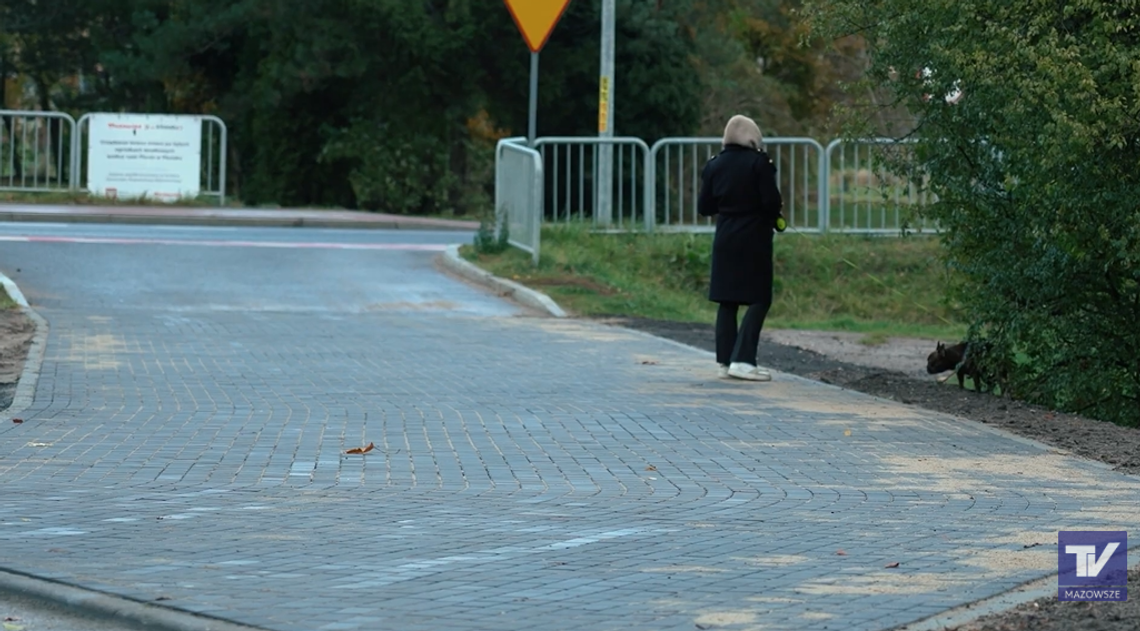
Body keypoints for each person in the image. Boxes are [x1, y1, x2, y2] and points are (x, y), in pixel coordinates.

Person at [697, 114, 784, 382]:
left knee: (727, 300)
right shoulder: (759, 163)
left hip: (725, 237)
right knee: (759, 297)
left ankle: (725, 361)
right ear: (752, 138)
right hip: (753, 238)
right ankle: (744, 360)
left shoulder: (714, 165)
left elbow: (705, 207)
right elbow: (771, 202)